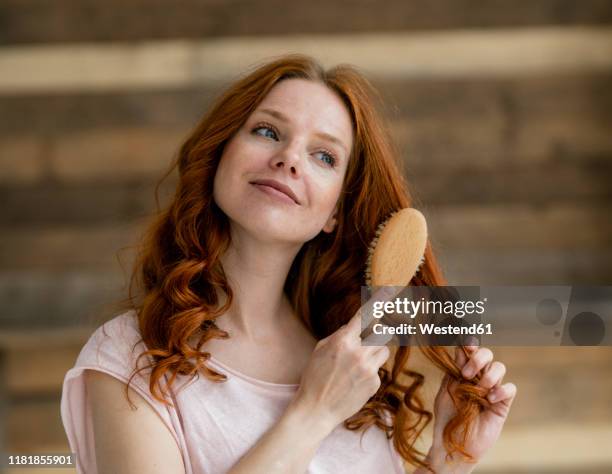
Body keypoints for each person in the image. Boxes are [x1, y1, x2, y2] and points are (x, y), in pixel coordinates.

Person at [61, 53, 516, 474]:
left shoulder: (356, 373)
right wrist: (313, 412)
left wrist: (448, 459)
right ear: (220, 153)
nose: (289, 159)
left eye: (324, 156)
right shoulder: (131, 357)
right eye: (267, 131)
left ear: (335, 213)